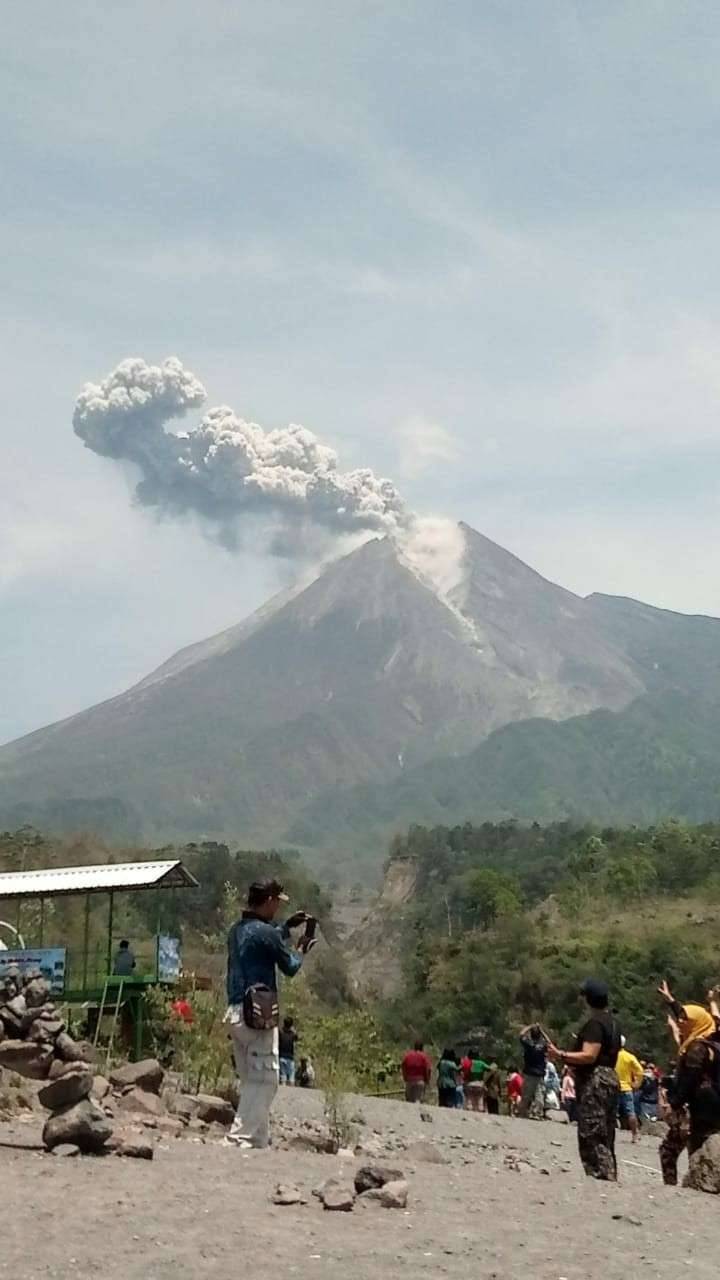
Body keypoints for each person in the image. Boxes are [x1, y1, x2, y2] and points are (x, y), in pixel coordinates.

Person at [224, 878, 315, 1149]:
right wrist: (301, 947)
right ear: (270, 901)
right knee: (266, 1079)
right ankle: (239, 1137)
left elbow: (265, 939)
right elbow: (290, 966)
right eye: (277, 902)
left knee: (251, 1077)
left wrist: (286, 927)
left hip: (235, 1010)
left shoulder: (237, 930)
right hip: (257, 1012)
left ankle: (259, 1139)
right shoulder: (267, 933)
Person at [548, 978, 621, 1181]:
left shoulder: (595, 1024)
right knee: (606, 1132)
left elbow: (589, 1055)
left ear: (588, 1000)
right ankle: (609, 1173)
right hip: (611, 1078)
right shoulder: (613, 1023)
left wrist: (560, 1055)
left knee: (592, 1131)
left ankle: (600, 1175)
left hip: (595, 1079)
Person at [656, 979, 720, 1185]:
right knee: (696, 1145)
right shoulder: (709, 1043)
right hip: (709, 1104)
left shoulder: (698, 1049)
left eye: (686, 1020)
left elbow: (690, 1080)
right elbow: (689, 1016)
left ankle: (676, 1185)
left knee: (673, 1148)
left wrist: (674, 1102)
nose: (682, 1022)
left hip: (698, 1105)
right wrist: (671, 1002)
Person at [615, 1035, 643, 1142]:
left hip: (614, 1087)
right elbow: (640, 1070)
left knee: (610, 1112)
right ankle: (635, 1134)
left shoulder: (611, 1055)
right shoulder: (629, 1057)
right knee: (631, 1113)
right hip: (626, 1087)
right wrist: (637, 1083)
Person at [518, 1025, 547, 1120]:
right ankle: (537, 1113)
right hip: (539, 1074)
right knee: (539, 1095)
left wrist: (529, 1026)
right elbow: (550, 1042)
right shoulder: (543, 1045)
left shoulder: (528, 1044)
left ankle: (522, 1113)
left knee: (526, 1094)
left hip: (529, 1072)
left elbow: (521, 1035)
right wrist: (542, 1030)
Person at [279, 1015, 299, 1085]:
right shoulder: (292, 1034)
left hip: (281, 1057)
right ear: (291, 1025)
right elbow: (297, 1038)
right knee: (291, 1076)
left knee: (283, 1076)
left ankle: (284, 1091)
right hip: (290, 1058)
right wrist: (294, 1030)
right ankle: (291, 1093)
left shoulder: (280, 1033)